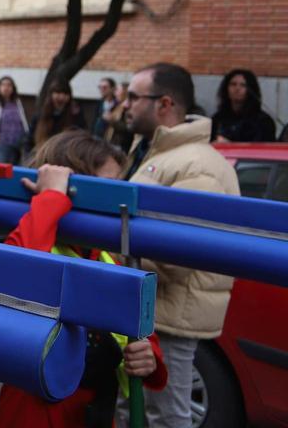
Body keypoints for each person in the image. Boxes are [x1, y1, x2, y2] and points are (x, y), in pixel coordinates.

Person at [0, 131, 167, 426]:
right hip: (36, 412)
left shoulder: (104, 256)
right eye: (105, 188)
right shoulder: (36, 234)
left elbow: (139, 333)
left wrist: (147, 356)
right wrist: (50, 199)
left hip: (93, 410)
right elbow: (19, 273)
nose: (116, 202)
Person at [124, 62, 239, 428]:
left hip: (170, 316)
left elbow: (179, 255)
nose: (124, 104)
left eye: (133, 97)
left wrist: (113, 258)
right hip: (151, 310)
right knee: (139, 409)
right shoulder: (157, 153)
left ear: (164, 104)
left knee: (166, 415)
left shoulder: (197, 165)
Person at [211, 68, 277, 143]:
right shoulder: (218, 118)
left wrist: (231, 145)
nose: (237, 88)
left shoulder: (263, 121)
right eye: (233, 84)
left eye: (243, 85)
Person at [29, 78, 85, 152]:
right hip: (42, 155)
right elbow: (29, 139)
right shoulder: (40, 115)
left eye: (65, 94)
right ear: (51, 95)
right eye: (58, 93)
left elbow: (82, 137)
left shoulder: (75, 116)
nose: (62, 97)